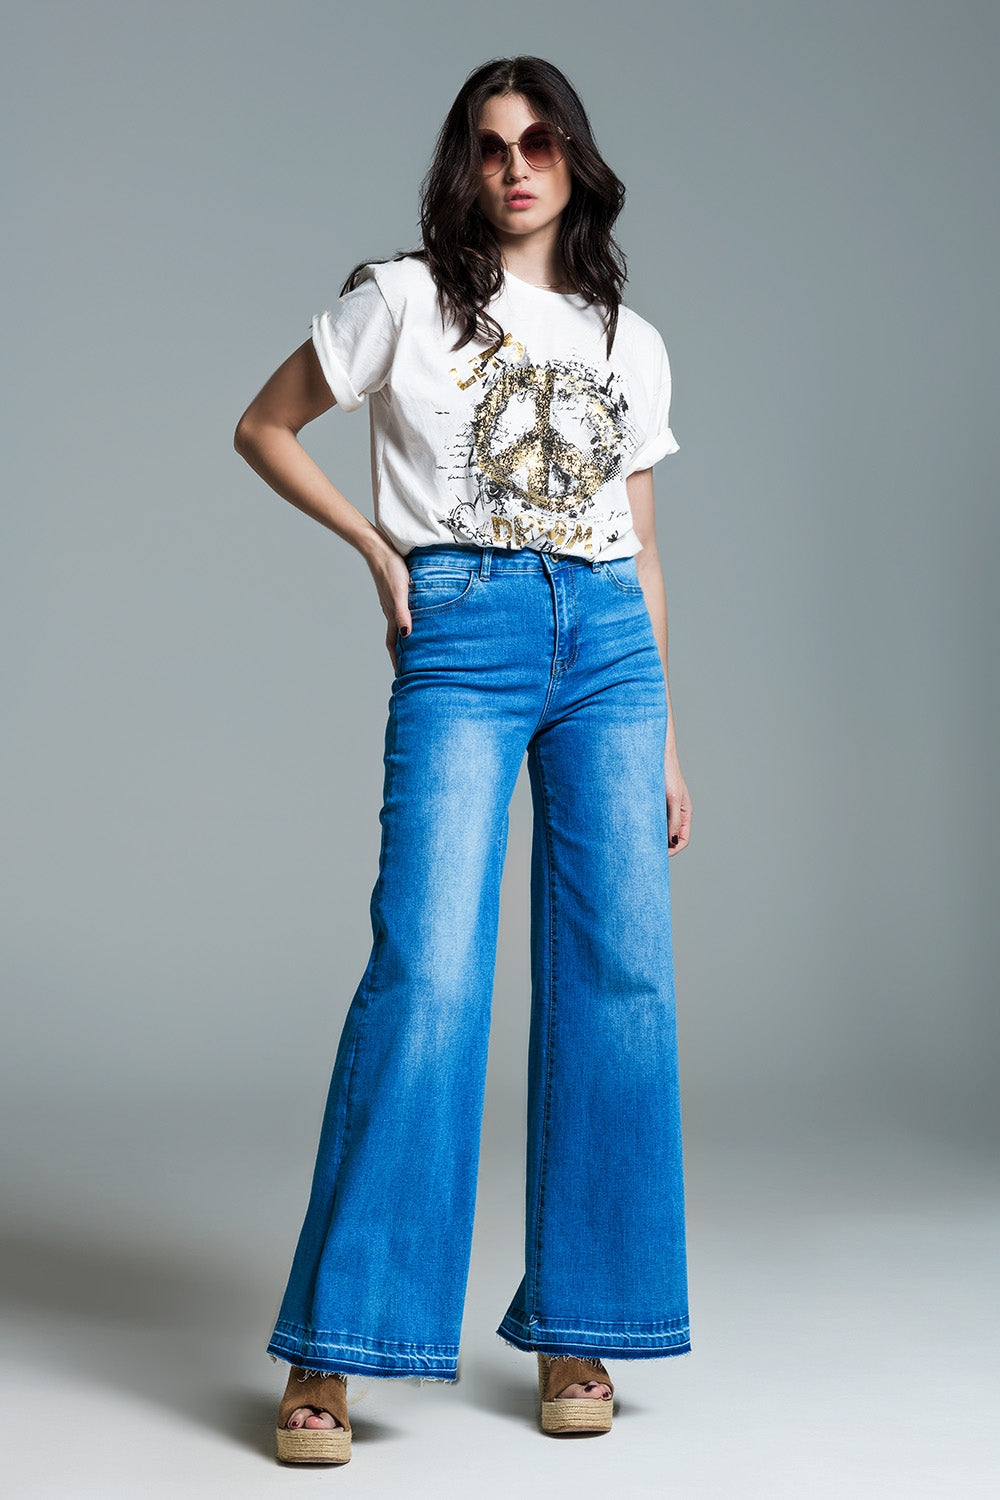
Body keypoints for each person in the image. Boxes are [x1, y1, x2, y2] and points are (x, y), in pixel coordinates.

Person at [234, 54, 693, 1466]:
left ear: (574, 160)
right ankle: (336, 1346)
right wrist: (379, 551)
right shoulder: (405, 299)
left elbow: (642, 545)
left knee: (621, 979)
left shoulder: (628, 337)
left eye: (540, 141)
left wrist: (668, 737)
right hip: (466, 629)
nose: (517, 165)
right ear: (465, 166)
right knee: (428, 970)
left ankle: (581, 1323)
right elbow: (263, 425)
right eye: (492, 145)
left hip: (609, 649)